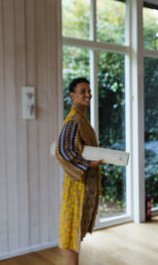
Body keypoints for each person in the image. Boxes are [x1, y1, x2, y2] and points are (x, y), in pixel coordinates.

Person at [55, 78, 104, 265]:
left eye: (89, 90)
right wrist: (87, 164)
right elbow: (63, 151)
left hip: (83, 184)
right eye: (83, 91)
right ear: (72, 96)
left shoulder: (81, 119)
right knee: (71, 230)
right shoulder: (73, 120)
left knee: (76, 230)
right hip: (77, 185)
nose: (88, 94)